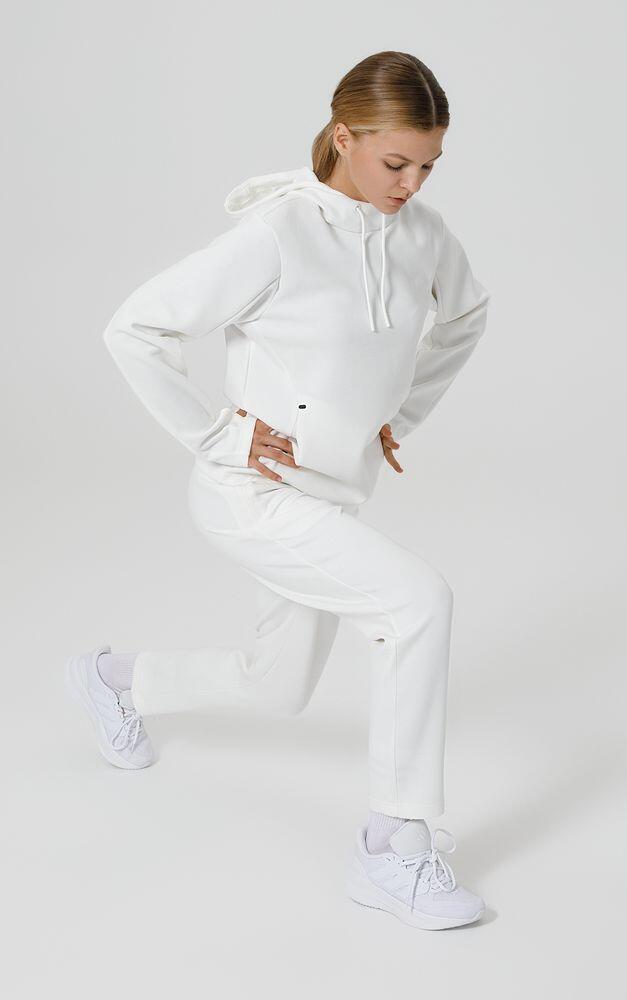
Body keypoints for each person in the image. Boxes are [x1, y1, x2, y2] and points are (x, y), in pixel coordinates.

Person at [66, 50, 491, 931]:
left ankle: (114, 681)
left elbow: (465, 315)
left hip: (331, 494)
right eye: (396, 162)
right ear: (345, 136)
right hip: (249, 494)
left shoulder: (421, 233)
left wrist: (400, 412)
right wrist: (217, 433)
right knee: (415, 602)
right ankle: (393, 848)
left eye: (427, 166)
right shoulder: (276, 235)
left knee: (278, 686)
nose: (411, 184)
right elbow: (134, 328)